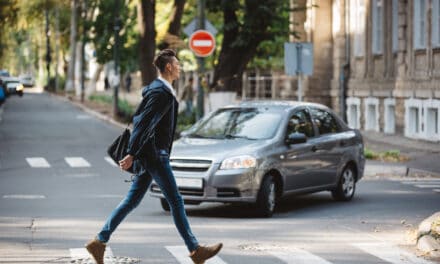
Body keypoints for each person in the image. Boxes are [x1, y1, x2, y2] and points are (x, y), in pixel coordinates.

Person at [85, 49, 223, 264]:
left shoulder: (162, 89)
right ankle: (195, 250)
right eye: (177, 64)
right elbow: (143, 123)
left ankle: (99, 241)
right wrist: (131, 153)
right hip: (154, 155)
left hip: (151, 154)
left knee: (132, 200)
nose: (179, 67)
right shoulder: (160, 92)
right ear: (168, 67)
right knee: (176, 201)